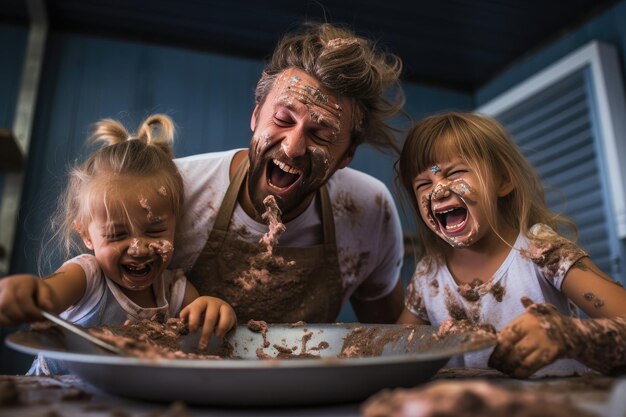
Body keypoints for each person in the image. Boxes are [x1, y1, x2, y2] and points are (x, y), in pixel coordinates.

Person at [170, 22, 407, 324]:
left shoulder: (368, 210)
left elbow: (387, 338)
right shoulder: (181, 191)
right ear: (256, 116)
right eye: (282, 119)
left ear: (347, 155)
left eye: (321, 134)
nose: (293, 147)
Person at [0, 114, 237, 374]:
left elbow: (205, 320)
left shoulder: (174, 290)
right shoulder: (87, 276)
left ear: (175, 226)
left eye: (155, 230)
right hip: (52, 396)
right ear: (86, 235)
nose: (138, 248)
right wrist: (26, 292)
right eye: (116, 235)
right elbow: (48, 294)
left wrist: (216, 307)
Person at [396, 111, 626, 378]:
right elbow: (397, 353)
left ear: (503, 181)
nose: (439, 190)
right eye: (424, 184)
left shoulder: (542, 251)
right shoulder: (428, 276)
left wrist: (569, 334)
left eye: (455, 172)